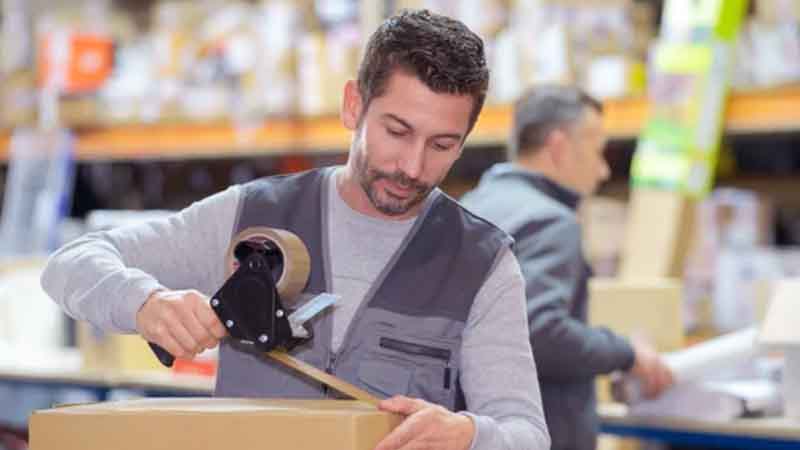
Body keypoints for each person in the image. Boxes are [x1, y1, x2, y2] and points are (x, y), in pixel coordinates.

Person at [41, 10, 549, 450]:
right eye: (397, 132)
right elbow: (69, 263)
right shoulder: (250, 216)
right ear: (354, 106)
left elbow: (526, 433)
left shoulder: (482, 263)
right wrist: (144, 303)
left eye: (442, 145)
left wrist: (469, 435)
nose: (413, 167)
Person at [461, 85, 674, 450]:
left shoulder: (469, 207)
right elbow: (540, 333)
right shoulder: (550, 221)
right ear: (559, 146)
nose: (604, 169)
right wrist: (626, 353)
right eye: (597, 150)